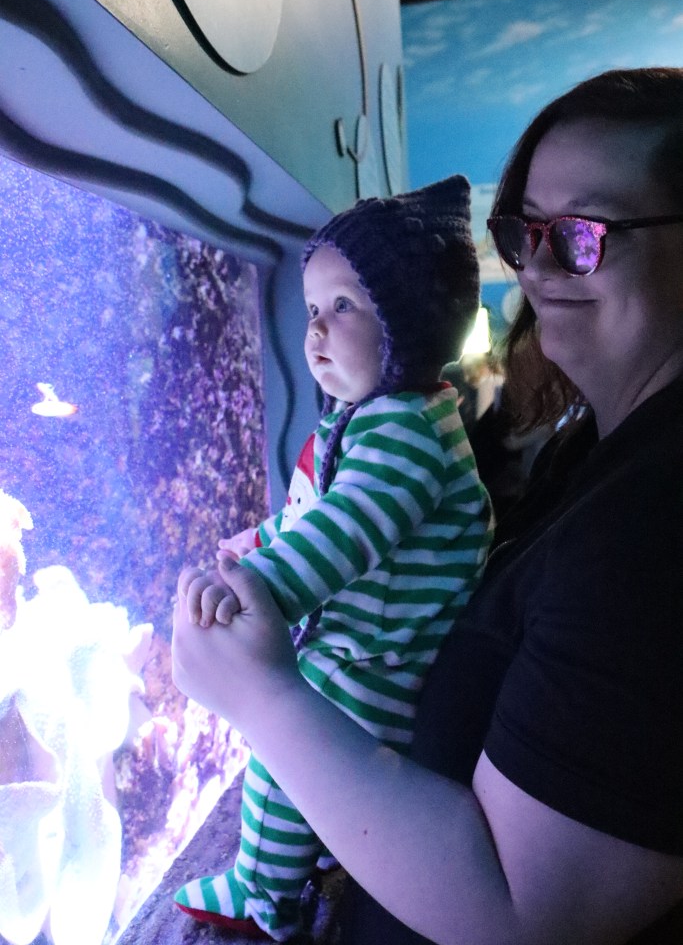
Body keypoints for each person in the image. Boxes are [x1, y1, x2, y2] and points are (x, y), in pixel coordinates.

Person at [172, 67, 683, 945]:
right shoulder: (595, 451)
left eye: (583, 234)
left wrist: (260, 694)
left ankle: (263, 897)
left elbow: (525, 917)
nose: (536, 268)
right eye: (523, 232)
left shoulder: (655, 522)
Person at [173, 176, 493, 940]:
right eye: (311, 308)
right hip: (365, 648)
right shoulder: (384, 419)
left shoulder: (405, 436)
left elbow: (345, 532)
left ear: (408, 321)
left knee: (281, 768)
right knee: (285, 758)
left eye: (343, 306)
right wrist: (259, 543)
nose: (315, 328)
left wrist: (257, 589)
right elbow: (316, 515)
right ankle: (293, 864)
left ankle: (266, 901)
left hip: (373, 664)